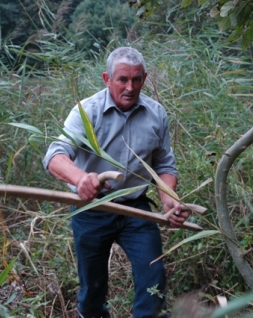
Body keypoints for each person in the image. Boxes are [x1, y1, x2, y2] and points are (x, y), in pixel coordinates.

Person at [42, 47, 190, 318]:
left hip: (136, 210)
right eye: (122, 79)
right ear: (107, 79)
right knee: (92, 291)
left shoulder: (156, 114)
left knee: (153, 277)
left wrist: (170, 200)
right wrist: (81, 179)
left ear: (145, 78)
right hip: (92, 210)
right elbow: (55, 156)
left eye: (136, 79)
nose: (130, 87)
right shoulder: (87, 112)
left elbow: (164, 167)